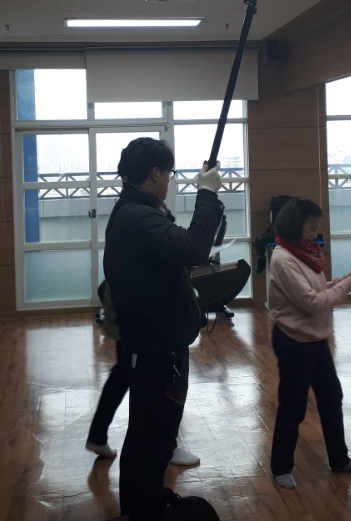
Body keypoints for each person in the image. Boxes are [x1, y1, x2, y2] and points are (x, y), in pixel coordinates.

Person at [104, 137, 224, 520]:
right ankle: (142, 509)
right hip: (157, 348)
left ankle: (144, 503)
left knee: (151, 434)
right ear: (155, 173)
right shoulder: (138, 217)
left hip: (156, 342)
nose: (169, 180)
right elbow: (193, 248)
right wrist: (208, 194)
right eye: (168, 173)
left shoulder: (137, 211)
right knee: (152, 435)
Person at [267, 198, 351, 490]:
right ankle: (280, 467)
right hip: (294, 341)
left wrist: (344, 280)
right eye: (312, 228)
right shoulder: (284, 259)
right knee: (293, 406)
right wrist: (346, 286)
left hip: (315, 339)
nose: (315, 234)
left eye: (317, 228)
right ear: (295, 225)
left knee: (331, 397)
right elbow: (312, 302)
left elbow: (317, 290)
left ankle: (339, 459)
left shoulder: (304, 253)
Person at [86, 278, 200, 467]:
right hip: (145, 311)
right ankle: (166, 446)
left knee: (123, 372)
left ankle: (98, 435)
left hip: (128, 305)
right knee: (167, 377)